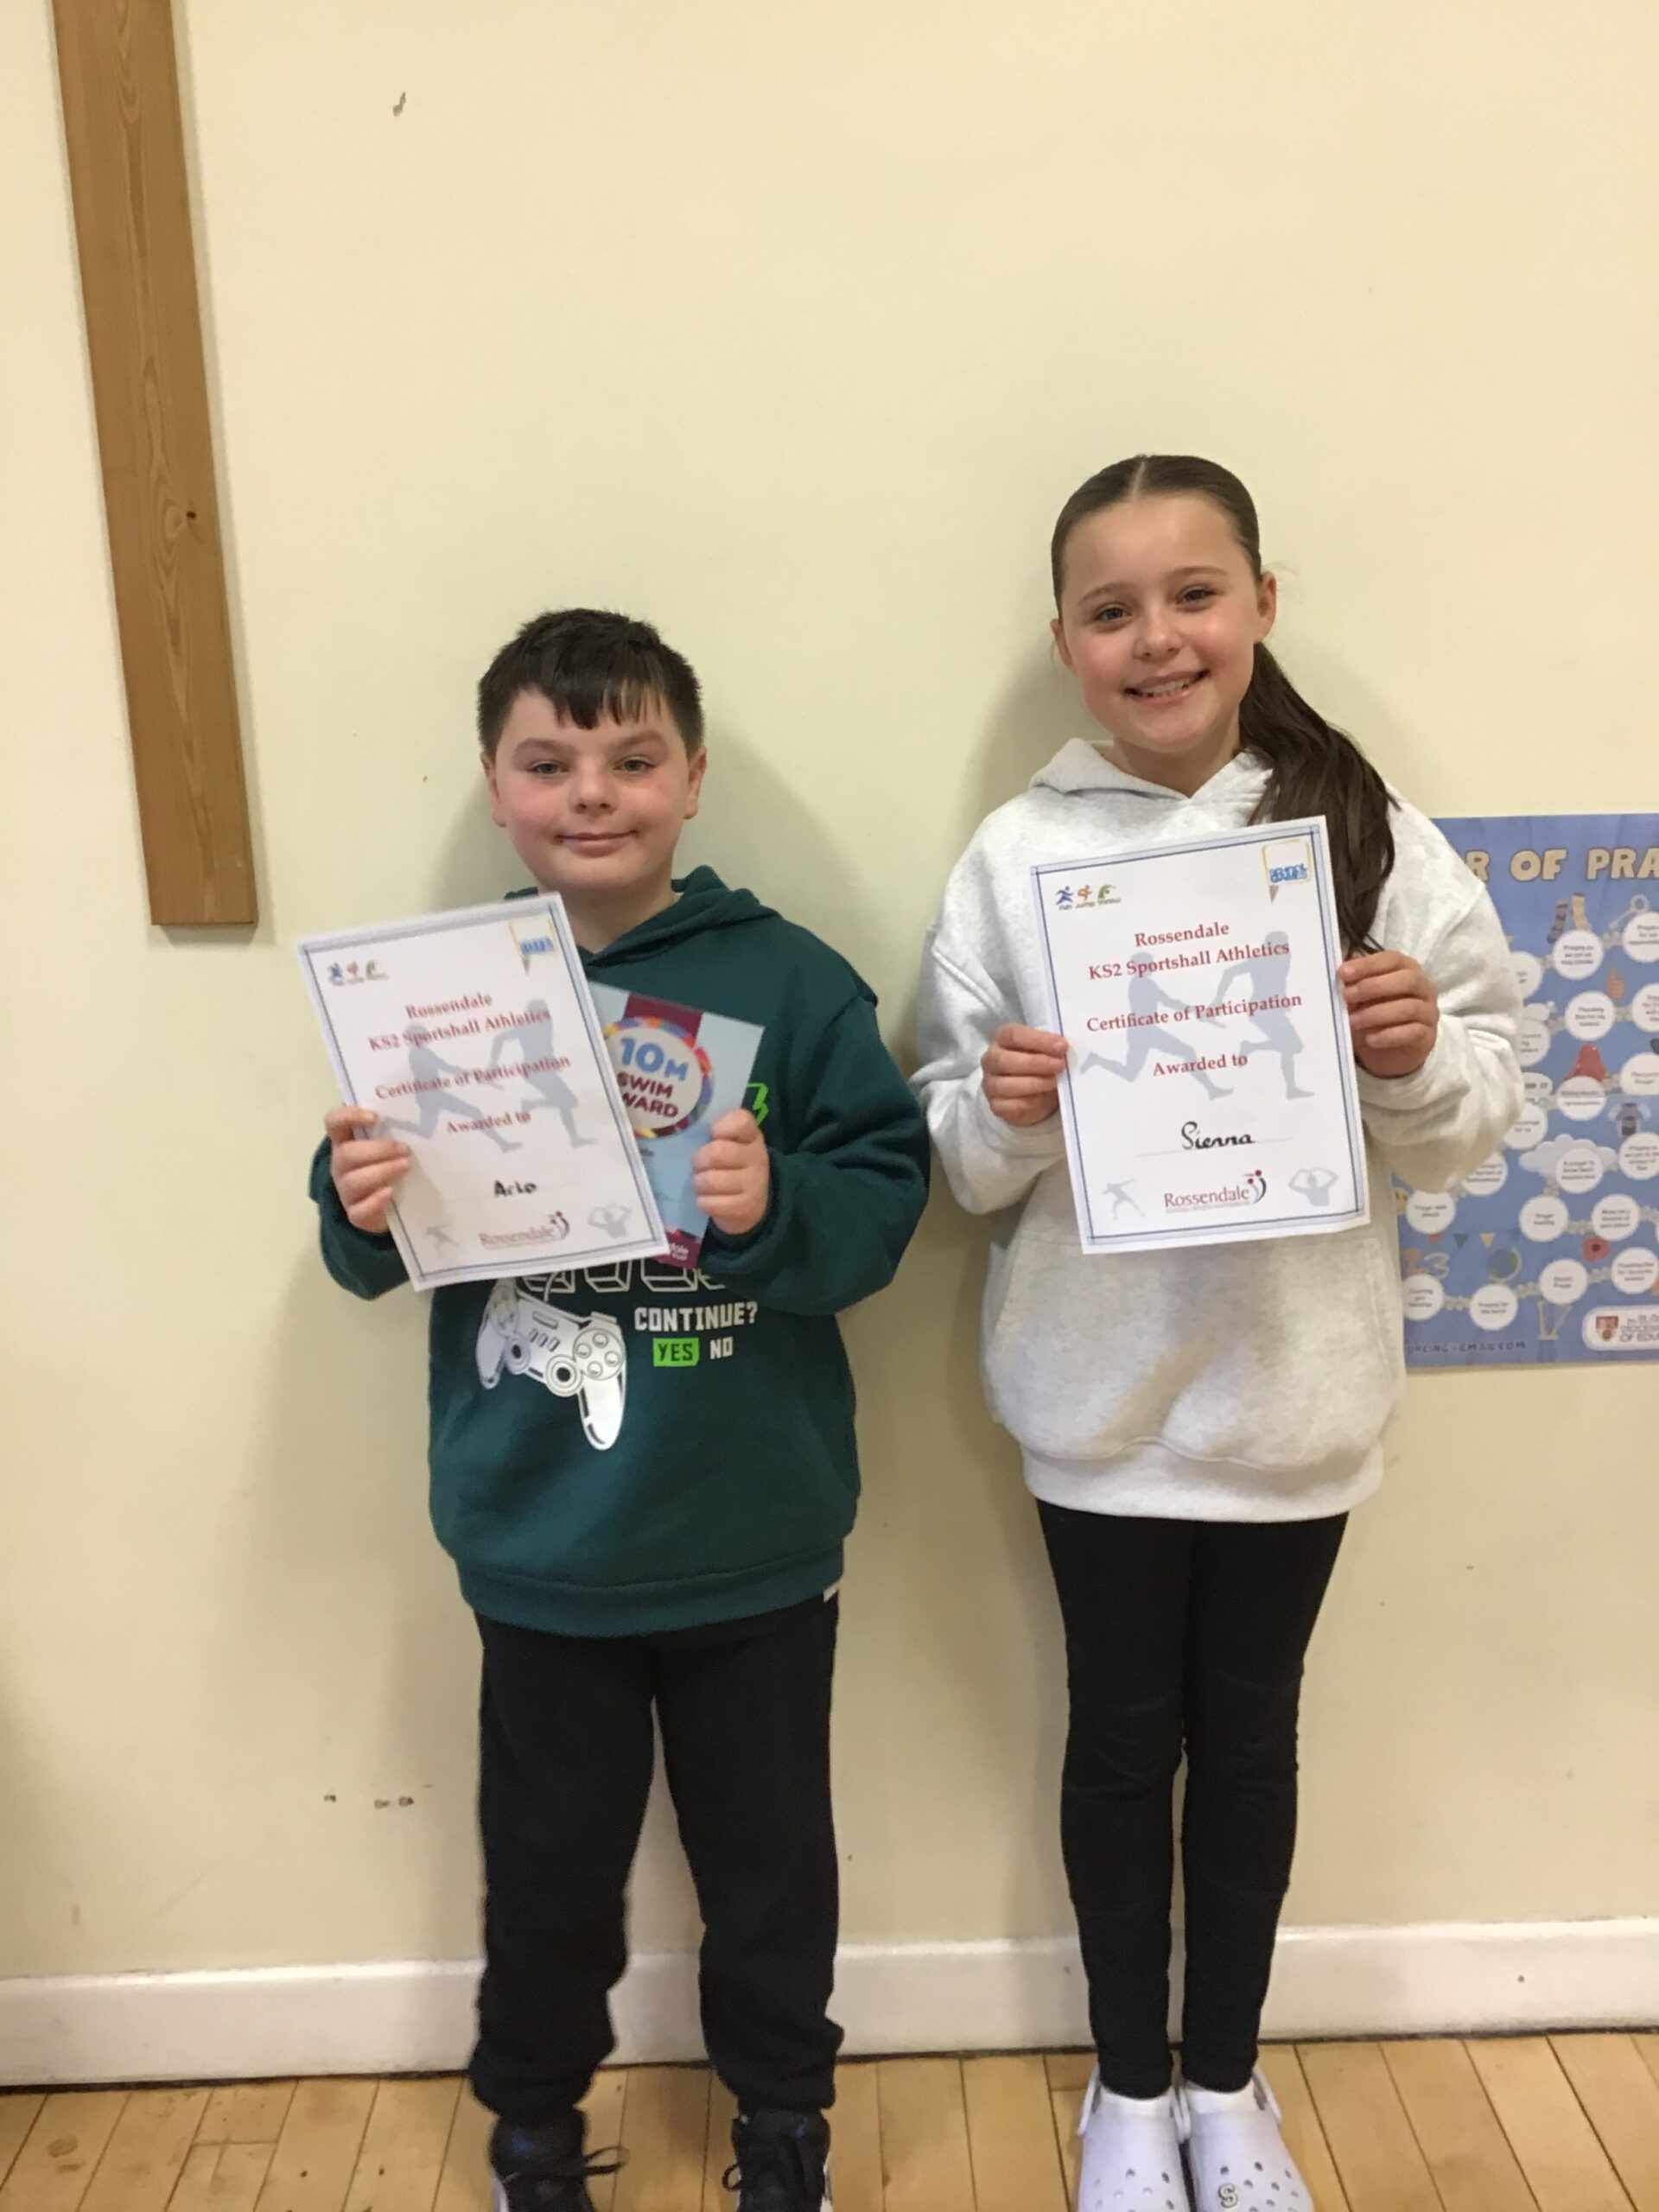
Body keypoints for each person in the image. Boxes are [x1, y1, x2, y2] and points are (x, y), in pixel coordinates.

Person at [912, 456, 1521, 2212]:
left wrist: (1414, 1057)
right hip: (1098, 1404)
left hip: (1297, 1400)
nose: (1157, 637)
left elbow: (1476, 1117)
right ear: (1065, 642)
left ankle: (1229, 2083)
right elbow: (953, 1139)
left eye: (1194, 594)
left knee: (1251, 1748)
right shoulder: (1018, 856)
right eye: (1112, 610)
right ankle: (1127, 2091)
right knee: (1119, 1746)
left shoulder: (1370, 835)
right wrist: (1007, 1110)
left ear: (1263, 603)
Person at [312, 609, 928, 2212]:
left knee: (771, 1874)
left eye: (632, 758)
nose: (592, 792)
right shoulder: (438, 999)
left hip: (756, 1534)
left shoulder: (790, 981)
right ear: (495, 785)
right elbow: (364, 1230)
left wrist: (772, 1203)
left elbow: (882, 1201)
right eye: (550, 762)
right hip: (542, 1546)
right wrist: (357, 1203)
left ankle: (783, 2122)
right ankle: (531, 2125)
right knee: (548, 1878)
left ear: (692, 777)